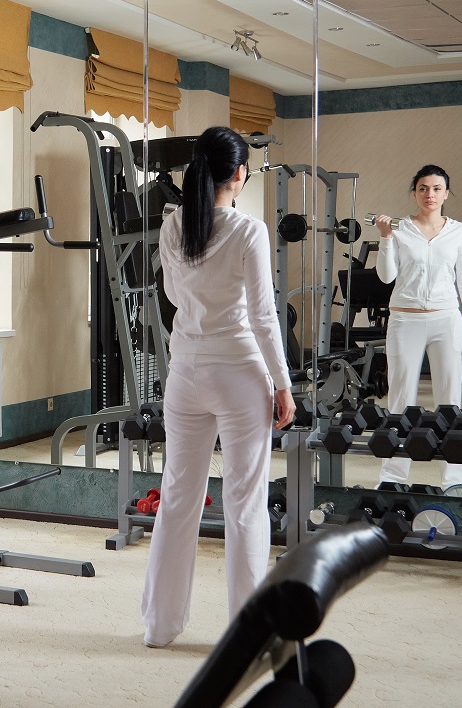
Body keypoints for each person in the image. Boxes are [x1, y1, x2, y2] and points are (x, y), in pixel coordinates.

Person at [141, 126, 295, 648]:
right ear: (239, 174)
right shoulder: (249, 230)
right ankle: (247, 636)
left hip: (185, 374)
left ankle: (160, 627)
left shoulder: (173, 225)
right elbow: (264, 317)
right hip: (239, 376)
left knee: (178, 498)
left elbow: (172, 296)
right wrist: (283, 384)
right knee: (244, 503)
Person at [374, 165, 462, 488]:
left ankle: (453, 479)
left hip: (446, 320)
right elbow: (386, 277)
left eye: (436, 189)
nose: (429, 194)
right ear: (414, 193)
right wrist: (385, 238)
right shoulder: (400, 229)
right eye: (423, 188)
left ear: (446, 194)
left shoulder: (459, 232)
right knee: (400, 398)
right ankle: (392, 476)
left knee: (449, 398)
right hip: (405, 320)